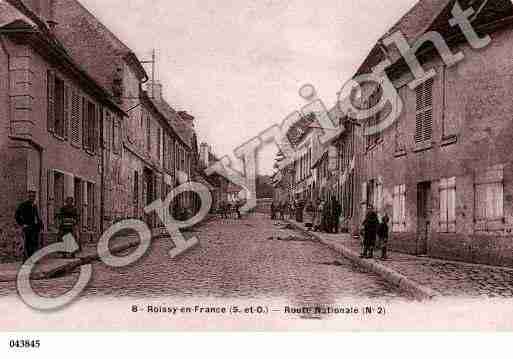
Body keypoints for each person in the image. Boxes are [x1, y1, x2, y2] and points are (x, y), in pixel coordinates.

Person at [15, 189, 43, 261]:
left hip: (35, 228)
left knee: (34, 243)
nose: (32, 198)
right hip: (27, 227)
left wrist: (40, 226)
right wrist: (22, 224)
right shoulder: (23, 205)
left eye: (33, 196)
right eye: (30, 196)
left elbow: (37, 217)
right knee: (27, 244)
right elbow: (17, 215)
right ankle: (26, 259)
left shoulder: (34, 206)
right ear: (28, 196)